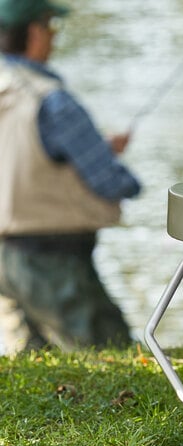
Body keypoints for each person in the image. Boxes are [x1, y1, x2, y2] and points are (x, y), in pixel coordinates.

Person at [0, 0, 142, 353]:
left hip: (4, 262)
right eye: (51, 27)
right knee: (112, 356)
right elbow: (114, 183)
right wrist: (101, 156)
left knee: (30, 365)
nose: (53, 38)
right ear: (33, 33)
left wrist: (94, 148)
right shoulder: (53, 101)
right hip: (51, 261)